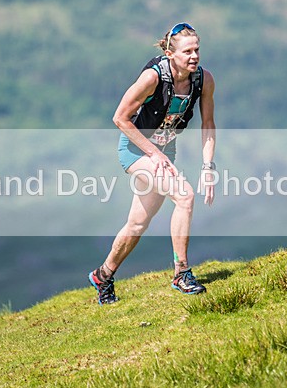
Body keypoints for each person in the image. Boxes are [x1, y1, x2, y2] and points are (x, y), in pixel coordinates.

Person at [88, 22, 217, 305]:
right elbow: (120, 117)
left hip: (164, 152)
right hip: (136, 150)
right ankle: (181, 273)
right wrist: (153, 152)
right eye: (187, 51)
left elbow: (208, 124)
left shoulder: (203, 80)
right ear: (171, 53)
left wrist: (208, 168)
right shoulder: (152, 77)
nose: (194, 56)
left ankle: (103, 274)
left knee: (137, 224)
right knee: (184, 196)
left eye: (197, 50)